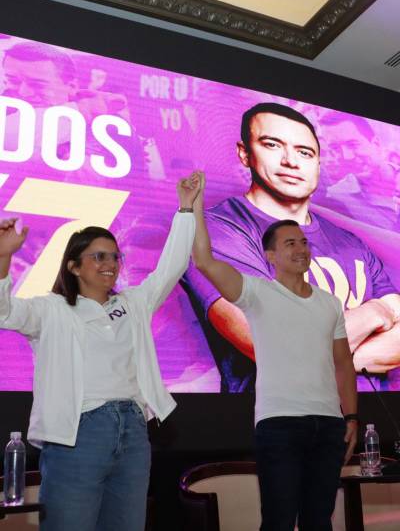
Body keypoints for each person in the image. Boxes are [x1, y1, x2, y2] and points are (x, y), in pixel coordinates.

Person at [0, 176, 199, 531]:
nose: (110, 263)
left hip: (134, 432)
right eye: (98, 256)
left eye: (114, 256)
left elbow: (171, 267)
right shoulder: (51, 309)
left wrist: (185, 208)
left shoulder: (132, 303)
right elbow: (3, 313)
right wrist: (3, 256)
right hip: (79, 433)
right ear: (74, 266)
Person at [182, 103, 400, 392]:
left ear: (318, 163)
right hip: (281, 425)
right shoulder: (214, 231)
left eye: (305, 152)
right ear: (244, 153)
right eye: (272, 145)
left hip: (371, 423)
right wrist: (375, 312)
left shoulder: (348, 242)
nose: (291, 161)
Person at [191, 171, 358, 530]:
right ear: (269, 255)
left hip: (328, 426)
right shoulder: (258, 293)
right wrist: (192, 208)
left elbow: (343, 362)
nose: (301, 249)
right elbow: (204, 261)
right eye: (290, 244)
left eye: (303, 242)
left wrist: (352, 418)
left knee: (319, 520)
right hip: (279, 424)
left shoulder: (329, 303)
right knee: (279, 520)